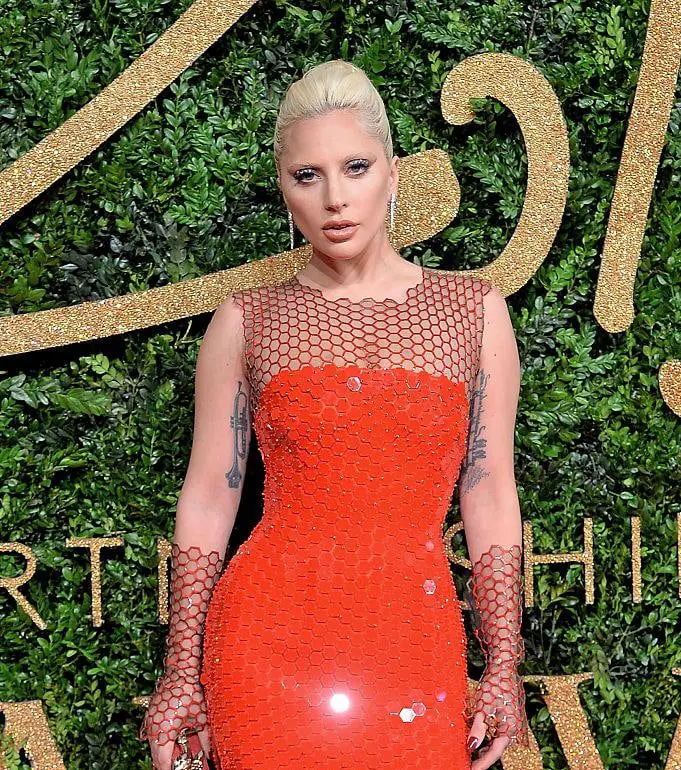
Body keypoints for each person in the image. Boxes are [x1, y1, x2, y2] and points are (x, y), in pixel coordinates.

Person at [139, 59, 530, 770]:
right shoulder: (246, 320)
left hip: (414, 637)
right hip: (266, 641)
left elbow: (490, 491)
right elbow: (209, 498)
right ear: (283, 189)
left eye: (355, 167)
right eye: (307, 176)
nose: (334, 198)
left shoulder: (473, 312)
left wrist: (503, 663)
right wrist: (180, 674)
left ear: (393, 174)